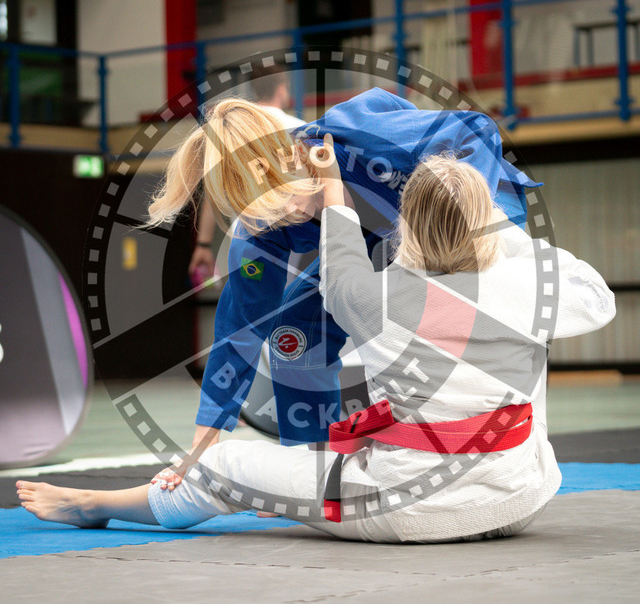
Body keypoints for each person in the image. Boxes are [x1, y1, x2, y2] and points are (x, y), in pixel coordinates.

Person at [16, 146, 615, 542]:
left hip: (410, 511)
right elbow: (596, 294)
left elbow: (341, 245)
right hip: (520, 499)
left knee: (225, 465)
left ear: (406, 225)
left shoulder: (370, 297)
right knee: (521, 372)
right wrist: (500, 227)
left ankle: (95, 506)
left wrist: (330, 186)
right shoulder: (532, 288)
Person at [145, 87, 543, 493]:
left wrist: (471, 233)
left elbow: (475, 129)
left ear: (292, 155)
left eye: (285, 194)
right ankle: (309, 471)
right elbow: (238, 334)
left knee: (450, 315)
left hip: (472, 215)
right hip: (374, 239)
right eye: (267, 213)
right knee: (294, 336)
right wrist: (199, 448)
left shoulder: (360, 134)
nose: (289, 213)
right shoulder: (260, 230)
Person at [188, 65, 305, 285]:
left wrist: (203, 244)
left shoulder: (231, 133)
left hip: (244, 240)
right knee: (280, 301)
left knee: (249, 301)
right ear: (282, 89)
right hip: (289, 240)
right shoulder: (299, 129)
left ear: (255, 89)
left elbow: (214, 193)